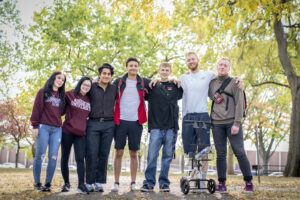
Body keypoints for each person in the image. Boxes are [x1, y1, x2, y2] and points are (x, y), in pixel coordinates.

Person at [209, 58, 254, 193]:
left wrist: (237, 123)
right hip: (216, 124)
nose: (222, 67)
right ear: (217, 67)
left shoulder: (235, 82)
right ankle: (221, 183)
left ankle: (248, 182)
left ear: (229, 68)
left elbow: (240, 104)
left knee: (239, 151)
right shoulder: (211, 83)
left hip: (231, 123)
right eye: (220, 65)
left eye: (225, 65)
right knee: (220, 154)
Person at [140, 62, 183, 192]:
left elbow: (184, 91)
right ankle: (149, 182)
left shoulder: (175, 86)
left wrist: (175, 80)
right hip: (155, 127)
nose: (164, 71)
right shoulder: (152, 86)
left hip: (171, 127)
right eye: (162, 69)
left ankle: (164, 183)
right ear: (158, 70)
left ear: (170, 71)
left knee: (167, 157)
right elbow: (138, 80)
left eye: (167, 70)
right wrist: (155, 80)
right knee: (152, 156)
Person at [112, 57, 151, 192]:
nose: (133, 68)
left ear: (138, 67)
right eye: (131, 66)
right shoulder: (119, 81)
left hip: (136, 122)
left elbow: (158, 84)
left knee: (133, 153)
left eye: (135, 66)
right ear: (126, 67)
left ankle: (133, 181)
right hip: (120, 121)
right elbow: (106, 88)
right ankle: (116, 182)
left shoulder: (143, 82)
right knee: (119, 152)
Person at [30, 71, 66, 192]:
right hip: (43, 127)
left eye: (63, 79)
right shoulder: (43, 91)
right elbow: (36, 109)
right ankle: (37, 182)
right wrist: (35, 126)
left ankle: (48, 183)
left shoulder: (62, 96)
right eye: (59, 78)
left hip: (57, 129)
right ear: (53, 78)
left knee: (53, 157)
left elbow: (62, 112)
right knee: (40, 156)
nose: (61, 80)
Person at [85, 63, 117, 193]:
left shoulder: (114, 88)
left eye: (109, 74)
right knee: (92, 154)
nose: (106, 76)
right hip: (93, 123)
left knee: (104, 154)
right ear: (99, 75)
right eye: (104, 73)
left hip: (109, 125)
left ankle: (99, 182)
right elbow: (80, 92)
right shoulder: (91, 87)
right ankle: (89, 182)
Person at [60, 76, 92, 194]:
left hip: (81, 133)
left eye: (88, 85)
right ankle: (66, 183)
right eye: (84, 84)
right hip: (67, 131)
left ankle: (81, 185)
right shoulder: (69, 94)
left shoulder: (90, 99)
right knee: (65, 157)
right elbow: (59, 107)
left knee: (80, 159)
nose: (86, 87)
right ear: (80, 84)